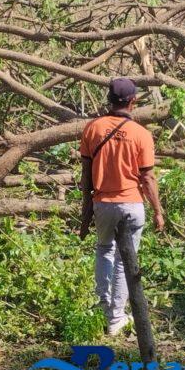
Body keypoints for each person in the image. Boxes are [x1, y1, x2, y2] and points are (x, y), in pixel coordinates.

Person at [78, 78, 165, 336]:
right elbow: (147, 178)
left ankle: (104, 306)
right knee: (124, 260)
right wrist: (158, 210)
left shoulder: (92, 128)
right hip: (131, 204)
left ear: (109, 99)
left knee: (104, 249)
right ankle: (116, 318)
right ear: (133, 101)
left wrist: (86, 210)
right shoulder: (141, 134)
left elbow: (86, 174)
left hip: (103, 203)